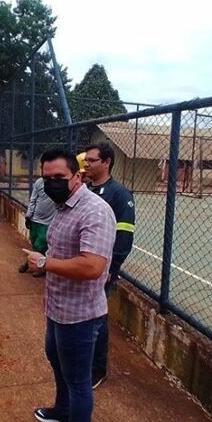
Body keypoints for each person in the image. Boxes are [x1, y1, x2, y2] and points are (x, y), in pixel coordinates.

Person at [25, 148, 115, 422]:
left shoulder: (95, 211)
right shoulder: (62, 207)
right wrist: (45, 267)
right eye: (46, 178)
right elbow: (61, 251)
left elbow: (92, 266)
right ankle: (63, 412)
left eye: (59, 178)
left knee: (78, 381)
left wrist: (47, 263)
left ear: (77, 176)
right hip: (58, 307)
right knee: (55, 359)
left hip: (81, 314)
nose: (52, 184)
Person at [82, 142, 136, 389]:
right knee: (82, 316)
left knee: (97, 318)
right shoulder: (85, 190)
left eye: (92, 160)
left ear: (106, 162)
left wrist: (111, 269)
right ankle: (84, 358)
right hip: (82, 265)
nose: (87, 163)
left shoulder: (120, 195)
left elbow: (124, 237)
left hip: (102, 270)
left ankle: (97, 369)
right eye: (87, 160)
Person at [18, 156, 58, 278]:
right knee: (34, 242)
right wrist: (29, 216)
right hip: (36, 219)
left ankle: (35, 265)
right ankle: (33, 261)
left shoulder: (58, 184)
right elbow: (33, 199)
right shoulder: (39, 182)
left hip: (49, 222)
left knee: (41, 244)